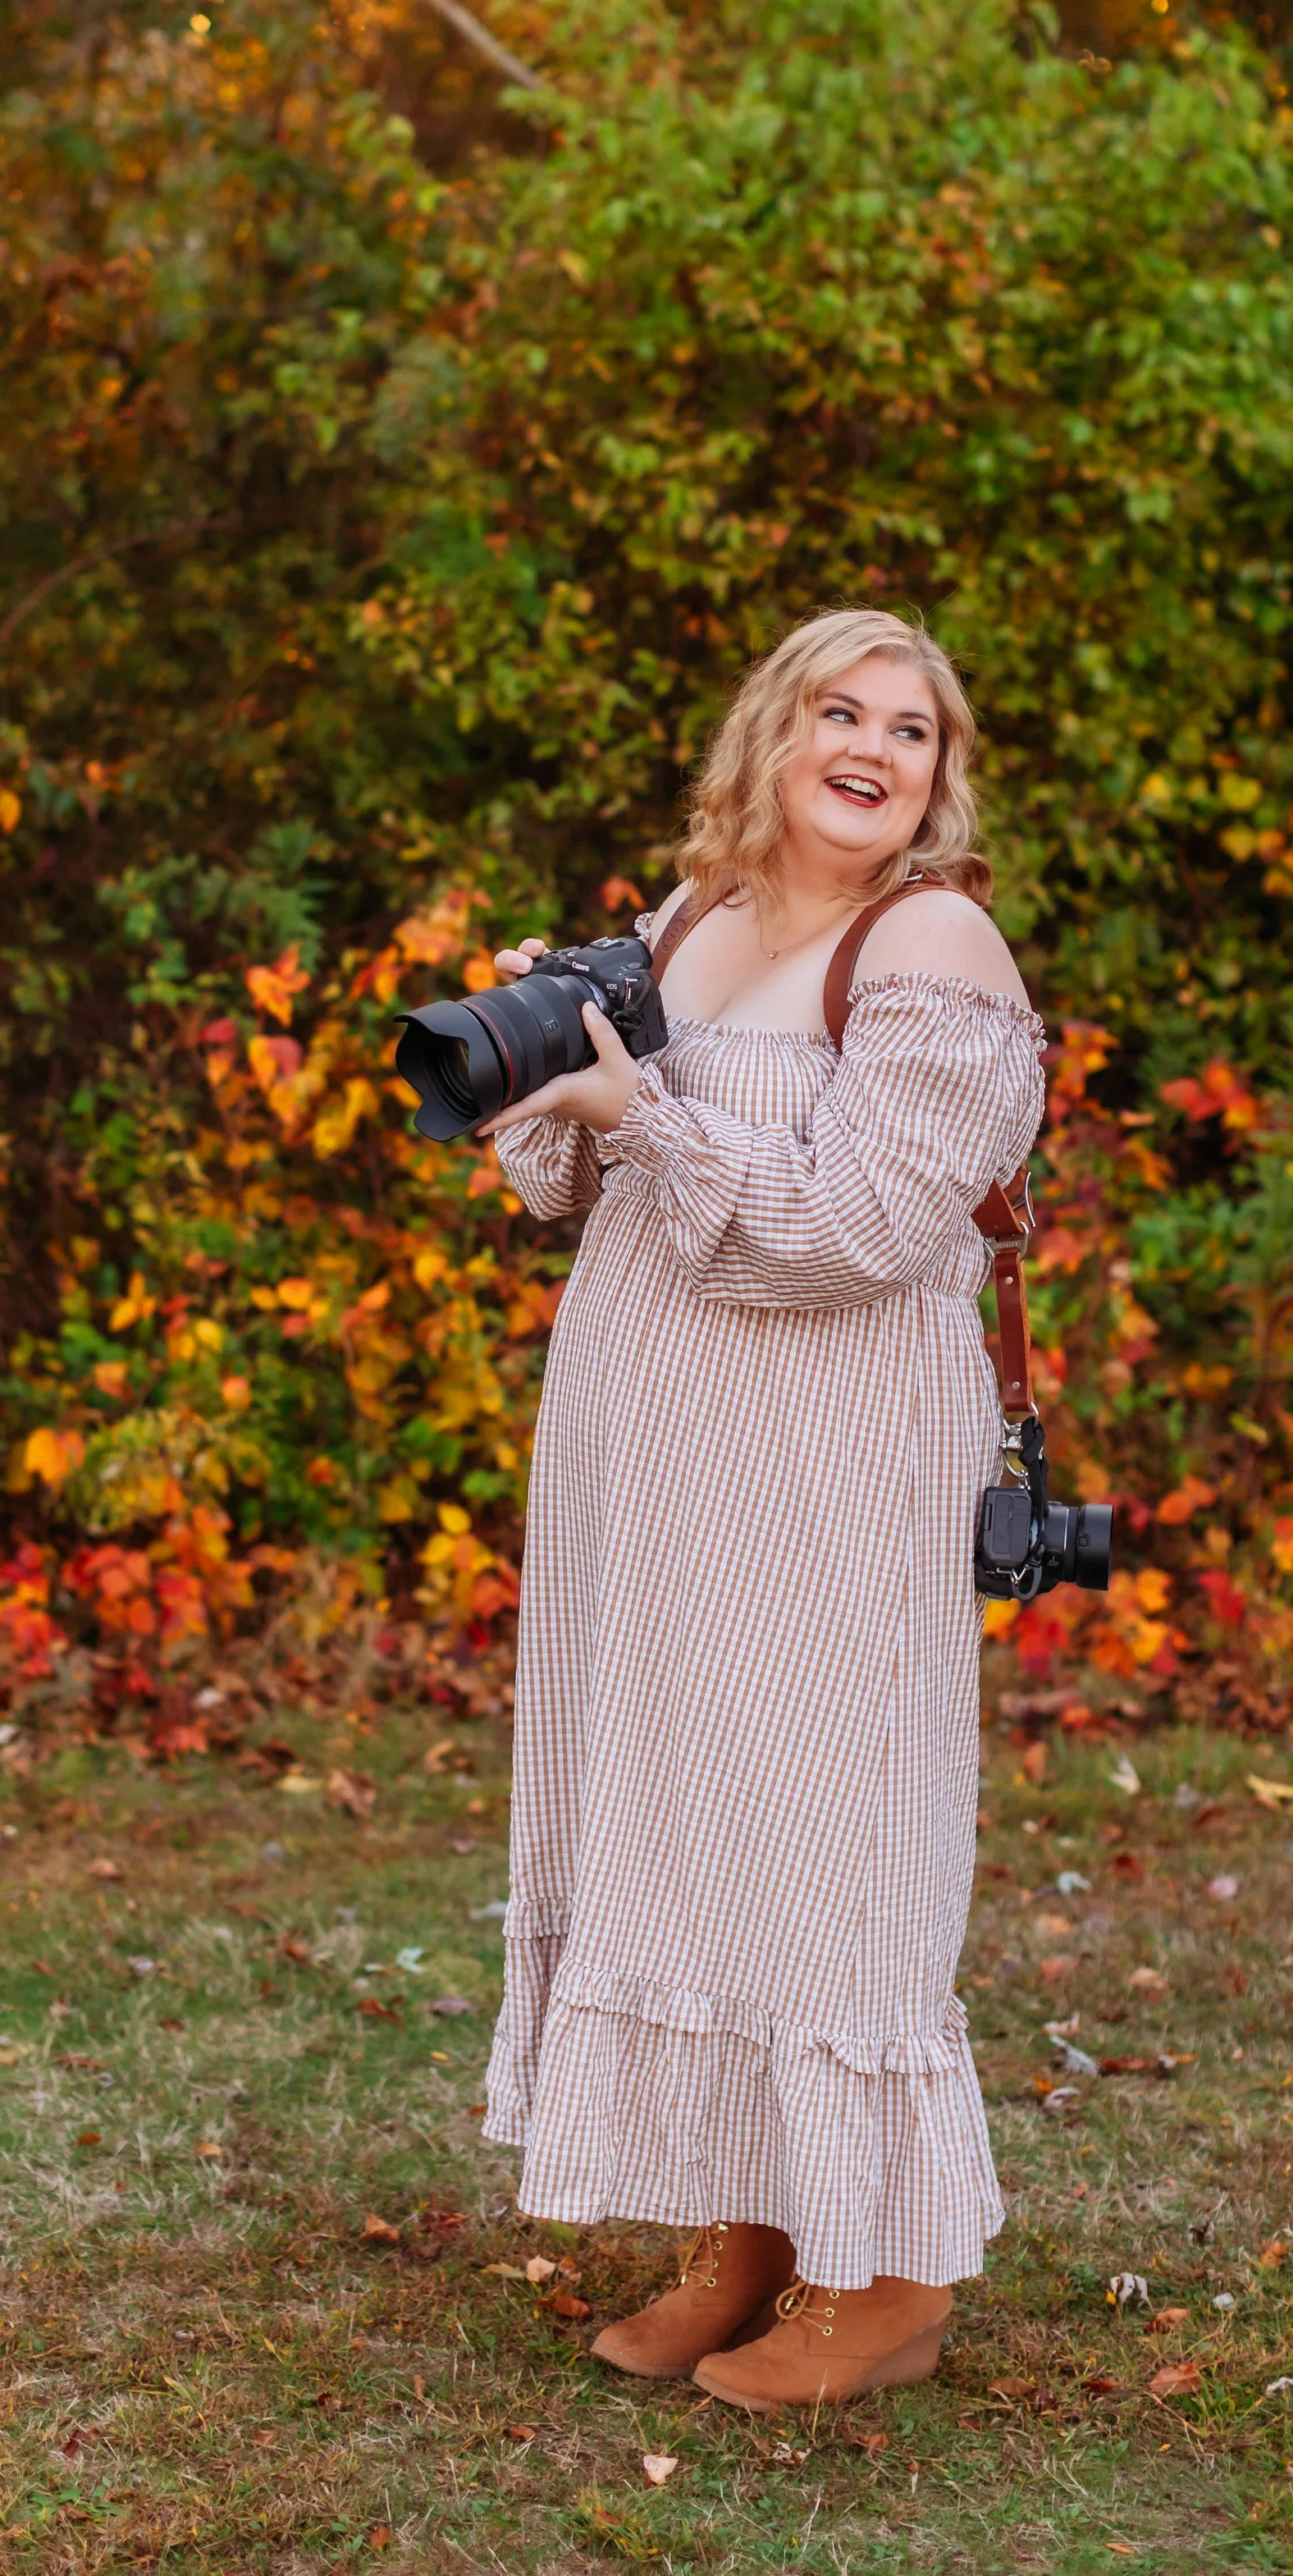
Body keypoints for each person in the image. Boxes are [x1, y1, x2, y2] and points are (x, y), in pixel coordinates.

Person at [473, 603, 1044, 2409]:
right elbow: (566, 1190)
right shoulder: (687, 918)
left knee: (829, 1821)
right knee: (689, 1805)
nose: (873, 747)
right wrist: (548, 1065)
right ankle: (742, 2228)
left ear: (938, 779)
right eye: (837, 712)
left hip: (829, 1449)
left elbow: (857, 1231)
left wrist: (643, 1118)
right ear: (771, 736)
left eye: (913, 729)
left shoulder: (931, 941)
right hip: (654, 1454)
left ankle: (879, 2278)